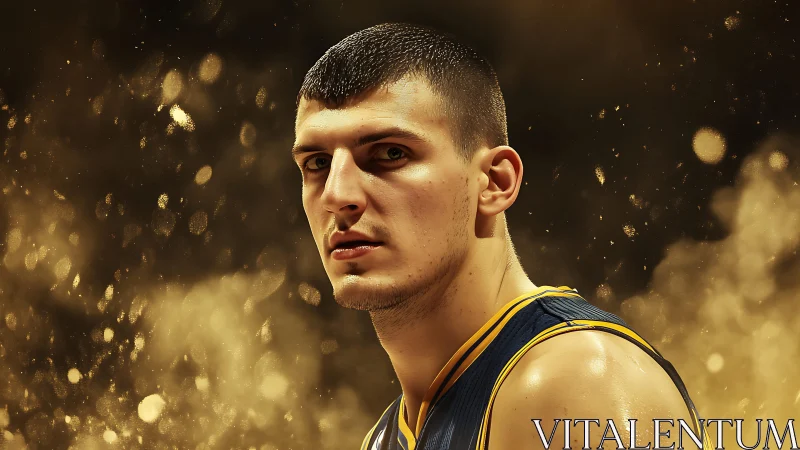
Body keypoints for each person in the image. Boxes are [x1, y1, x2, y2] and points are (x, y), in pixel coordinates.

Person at [292, 23, 711, 450]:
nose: (337, 195)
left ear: (494, 182)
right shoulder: (385, 436)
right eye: (317, 162)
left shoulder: (578, 382)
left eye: (390, 153)